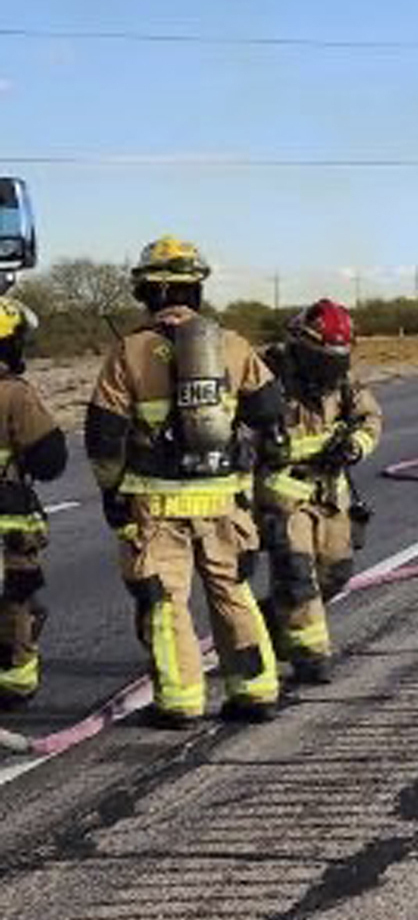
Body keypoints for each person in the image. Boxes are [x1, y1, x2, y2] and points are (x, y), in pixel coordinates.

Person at [85, 236, 288, 727]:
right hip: (223, 501)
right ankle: (255, 691)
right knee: (232, 592)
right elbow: (270, 415)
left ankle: (179, 702)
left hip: (154, 506)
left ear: (148, 293)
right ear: (196, 291)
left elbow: (103, 437)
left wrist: (112, 491)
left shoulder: (129, 352)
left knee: (165, 603)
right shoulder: (233, 345)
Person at [256, 299, 381, 684]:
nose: (332, 366)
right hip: (284, 494)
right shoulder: (266, 375)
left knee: (336, 573)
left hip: (331, 493)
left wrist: (356, 444)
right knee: (297, 576)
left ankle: (270, 623)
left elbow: (370, 417)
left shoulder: (343, 380)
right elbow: (236, 422)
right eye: (323, 357)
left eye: (338, 357)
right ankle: (311, 657)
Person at [0, 298, 67, 707]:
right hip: (8, 518)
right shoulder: (15, 395)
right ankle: (14, 680)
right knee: (17, 597)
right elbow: (50, 461)